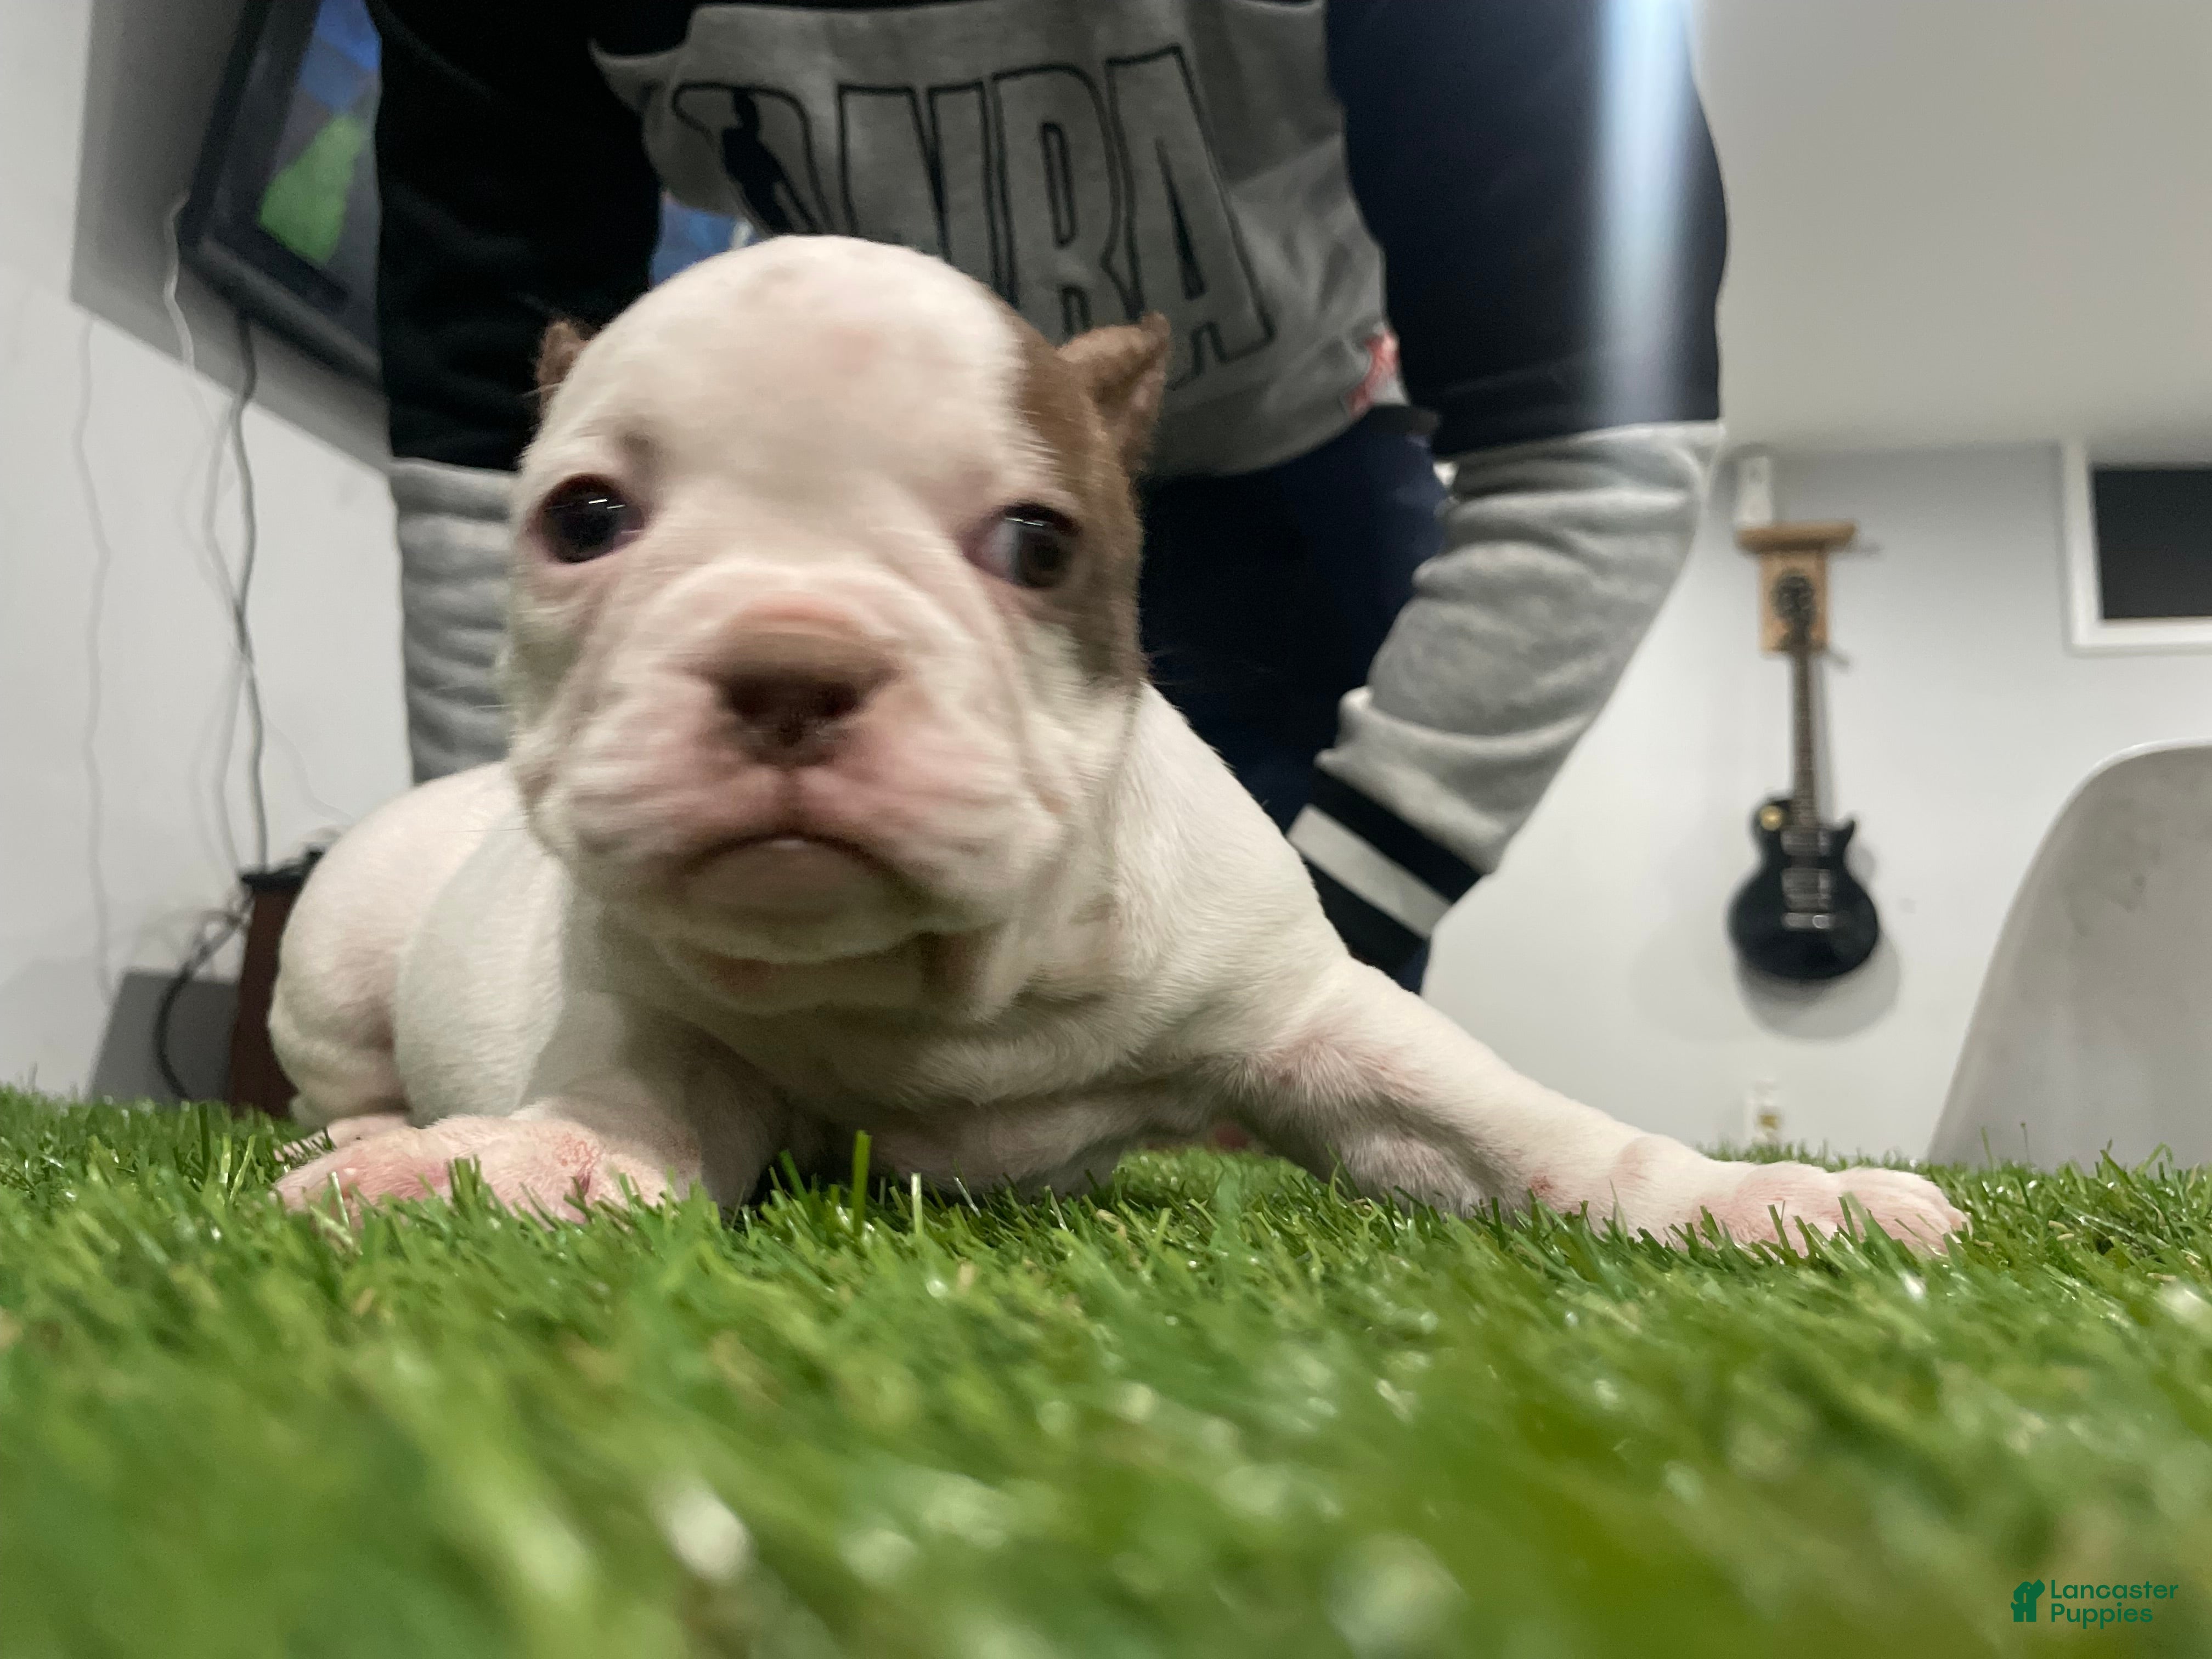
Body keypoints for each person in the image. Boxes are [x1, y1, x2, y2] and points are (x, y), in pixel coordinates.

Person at [368, 0, 1726, 991]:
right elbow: (489, 438)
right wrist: (494, 918)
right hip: (834, 515)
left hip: (1290, 497)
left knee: (1240, 1162)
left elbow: (1598, 429)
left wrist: (1348, 912)